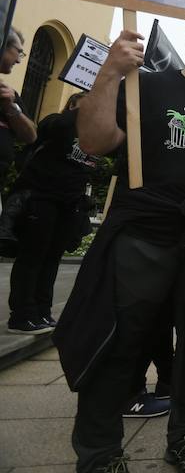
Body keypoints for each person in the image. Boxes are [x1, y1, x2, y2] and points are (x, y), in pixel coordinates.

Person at [59, 23, 185, 473]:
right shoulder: (142, 86)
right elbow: (93, 142)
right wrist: (109, 72)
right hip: (144, 231)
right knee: (121, 337)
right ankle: (100, 452)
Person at [6, 92, 96, 334]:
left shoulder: (95, 135)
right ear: (71, 107)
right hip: (42, 198)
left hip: (69, 205)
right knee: (33, 256)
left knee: (52, 257)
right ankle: (22, 314)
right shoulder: (56, 122)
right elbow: (55, 129)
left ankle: (42, 311)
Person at [0, 27, 37, 188]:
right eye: (18, 52)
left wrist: (11, 108)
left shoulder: (9, 94)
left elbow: (31, 136)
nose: (19, 60)